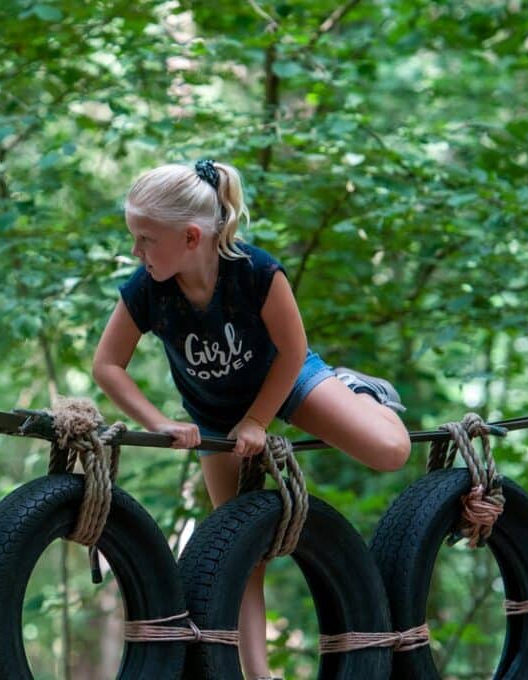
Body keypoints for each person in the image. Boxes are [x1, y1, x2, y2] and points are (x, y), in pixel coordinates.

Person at [91, 159, 411, 680]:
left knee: (390, 452)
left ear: (191, 237)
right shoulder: (147, 289)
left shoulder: (256, 272)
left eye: (146, 239)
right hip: (215, 416)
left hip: (287, 383)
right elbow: (107, 365)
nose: (136, 251)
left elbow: (292, 349)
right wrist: (158, 422)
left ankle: (358, 391)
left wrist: (260, 419)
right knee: (241, 551)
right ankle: (258, 673)